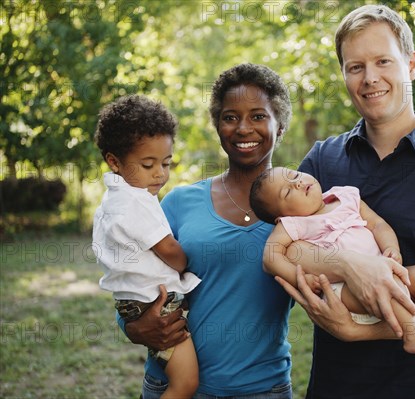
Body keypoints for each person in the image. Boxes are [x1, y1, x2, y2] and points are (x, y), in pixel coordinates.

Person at [274, 4, 415, 398]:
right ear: (344, 75)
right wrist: (346, 263)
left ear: (410, 64)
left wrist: (356, 330)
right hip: (334, 385)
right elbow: (284, 249)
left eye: (383, 61)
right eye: (355, 66)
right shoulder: (322, 163)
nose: (370, 78)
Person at [116, 64, 294, 398]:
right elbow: (130, 277)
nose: (243, 128)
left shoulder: (299, 212)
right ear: (217, 126)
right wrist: (134, 327)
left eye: (258, 116)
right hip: (170, 386)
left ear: (280, 125)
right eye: (230, 117)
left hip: (262, 388)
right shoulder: (180, 202)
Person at [251, 166, 415, 355]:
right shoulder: (293, 224)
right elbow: (271, 257)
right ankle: (413, 336)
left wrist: (391, 248)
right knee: (391, 286)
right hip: (345, 291)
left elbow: (378, 224)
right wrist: (302, 279)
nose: (298, 184)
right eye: (287, 193)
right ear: (282, 215)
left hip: (383, 267)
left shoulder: (346, 196)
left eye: (294, 175)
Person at [93, 94, 201, 399]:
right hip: (156, 304)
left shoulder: (114, 200)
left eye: (166, 163)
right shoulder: (135, 201)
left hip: (134, 303)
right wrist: (187, 262)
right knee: (185, 383)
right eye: (148, 164)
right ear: (114, 161)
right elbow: (169, 250)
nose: (160, 174)